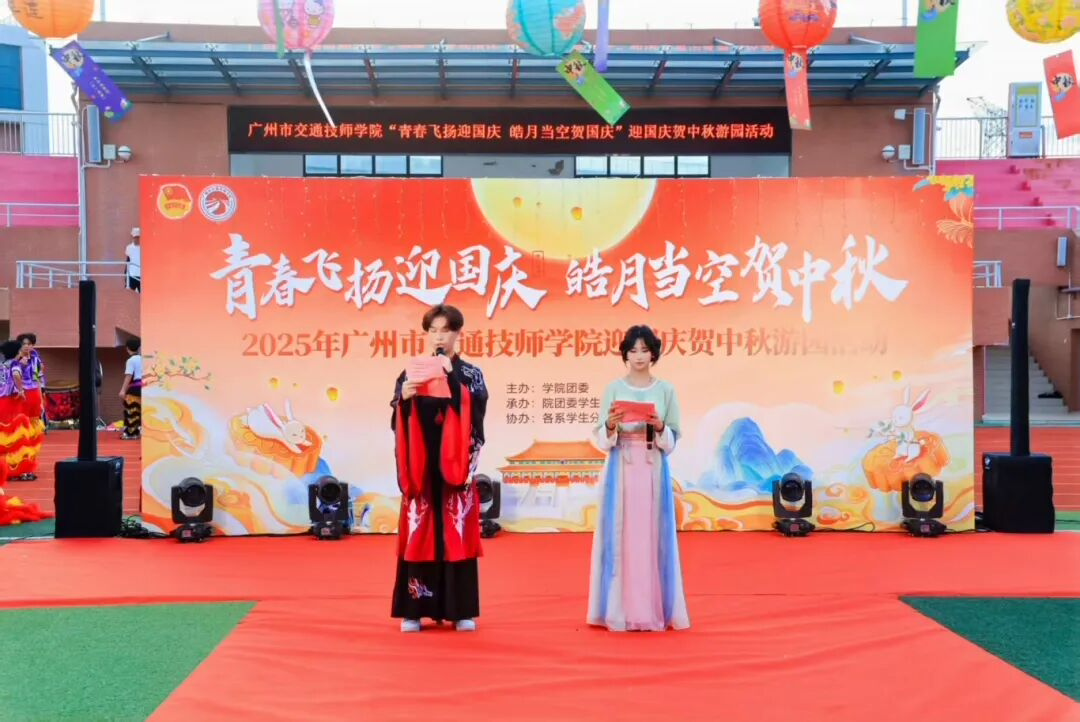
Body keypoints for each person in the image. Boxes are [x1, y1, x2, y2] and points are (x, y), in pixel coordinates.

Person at [390, 304, 488, 633]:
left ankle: (461, 610)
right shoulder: (411, 372)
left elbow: (478, 416)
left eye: (445, 330)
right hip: (421, 466)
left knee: (456, 531)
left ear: (457, 334)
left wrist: (453, 379)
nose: (439, 337)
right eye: (433, 331)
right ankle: (413, 610)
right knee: (419, 530)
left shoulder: (470, 373)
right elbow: (396, 420)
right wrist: (403, 399)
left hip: (455, 465)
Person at [587, 325, 690, 632]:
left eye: (645, 350)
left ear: (654, 353)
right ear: (625, 354)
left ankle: (651, 608)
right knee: (621, 535)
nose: (639, 356)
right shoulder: (613, 388)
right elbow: (601, 438)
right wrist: (610, 425)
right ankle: (619, 610)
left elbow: (672, 439)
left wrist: (659, 427)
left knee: (651, 536)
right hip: (621, 467)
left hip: (652, 466)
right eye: (633, 350)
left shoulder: (666, 390)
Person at [0, 340, 48, 525]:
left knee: (6, 436)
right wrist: (20, 390)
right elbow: (16, 374)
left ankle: (9, 468)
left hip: (2, 401)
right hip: (12, 401)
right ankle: (18, 470)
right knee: (18, 436)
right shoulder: (14, 364)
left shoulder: (2, 364)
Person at [13, 333, 44, 480]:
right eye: (24, 344)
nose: (27, 346)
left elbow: (39, 378)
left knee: (33, 431)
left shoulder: (36, 358)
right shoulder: (15, 360)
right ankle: (20, 465)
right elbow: (13, 377)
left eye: (29, 344)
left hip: (34, 394)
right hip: (22, 395)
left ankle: (30, 463)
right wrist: (21, 365)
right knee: (21, 431)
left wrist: (41, 398)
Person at [119, 338, 142, 440]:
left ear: (127, 348)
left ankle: (131, 433)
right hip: (145, 387)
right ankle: (139, 432)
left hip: (135, 388)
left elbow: (129, 375)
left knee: (132, 410)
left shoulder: (131, 360)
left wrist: (123, 390)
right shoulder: (144, 359)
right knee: (141, 411)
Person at [126, 227, 142, 292]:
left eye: (137, 237)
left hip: (141, 275)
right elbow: (127, 261)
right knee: (130, 294)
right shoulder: (129, 247)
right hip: (132, 275)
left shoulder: (144, 247)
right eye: (135, 237)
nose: (136, 239)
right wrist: (126, 277)